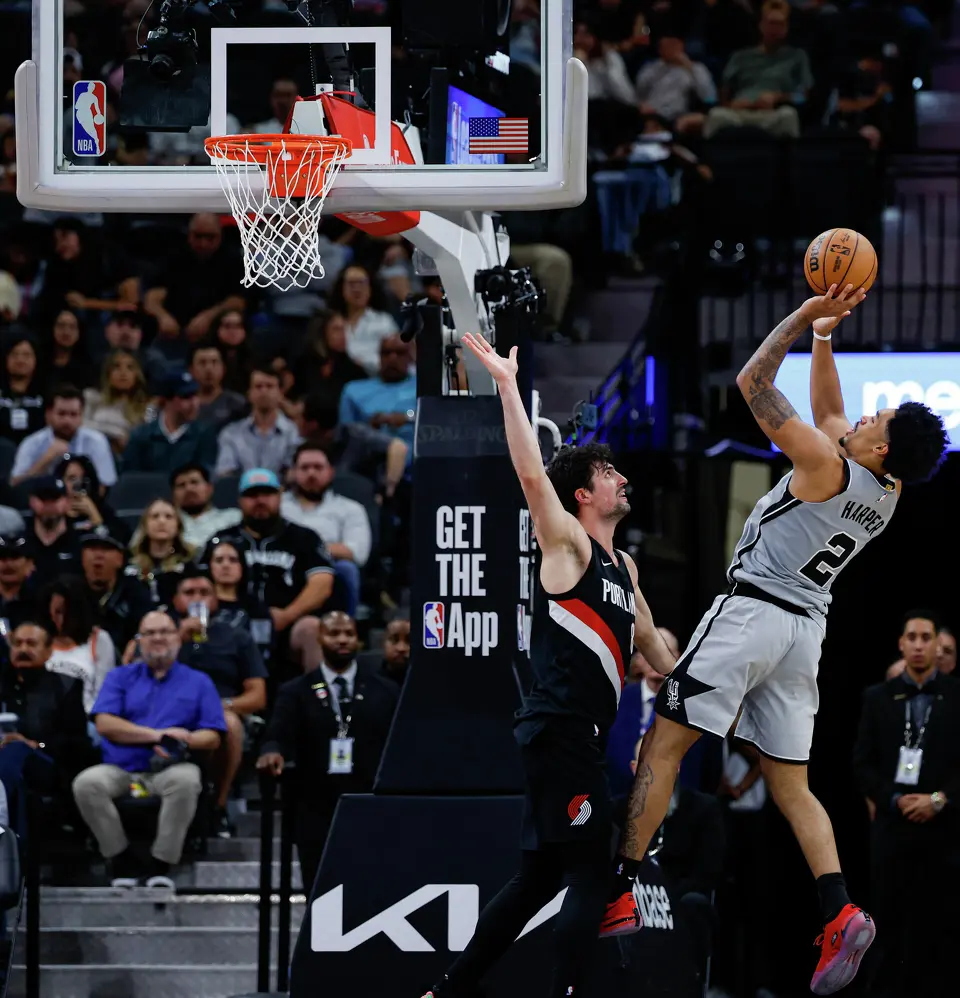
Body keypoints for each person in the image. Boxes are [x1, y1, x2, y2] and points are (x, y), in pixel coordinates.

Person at [606, 284, 949, 995]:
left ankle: (622, 884)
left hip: (753, 613)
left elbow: (753, 381)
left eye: (873, 414)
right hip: (805, 634)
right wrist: (825, 339)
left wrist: (799, 315)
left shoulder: (825, 465)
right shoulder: (886, 493)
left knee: (664, 744)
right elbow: (830, 413)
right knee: (792, 785)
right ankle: (838, 907)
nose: (858, 412)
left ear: (879, 443)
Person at [420, 333, 676, 998]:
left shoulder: (626, 566)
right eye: (609, 473)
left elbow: (651, 642)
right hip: (559, 730)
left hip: (578, 739)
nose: (622, 477)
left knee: (538, 878)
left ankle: (447, 990)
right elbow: (534, 476)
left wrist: (700, 686)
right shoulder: (568, 547)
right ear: (583, 497)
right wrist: (506, 386)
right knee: (595, 873)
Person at [72, 610, 226, 889]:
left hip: (170, 767)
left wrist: (185, 739)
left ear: (178, 637)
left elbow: (213, 735)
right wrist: (157, 735)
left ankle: (162, 863)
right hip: (121, 768)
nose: (157, 639)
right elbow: (105, 723)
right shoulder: (120, 677)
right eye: (150, 633)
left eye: (165, 632)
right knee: (87, 783)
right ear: (139, 641)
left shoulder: (199, 681)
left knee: (187, 779)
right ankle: (120, 858)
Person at [852, 610, 960, 998]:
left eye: (925, 637)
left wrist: (939, 799)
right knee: (888, 921)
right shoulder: (877, 697)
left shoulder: (955, 694)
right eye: (911, 637)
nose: (918, 644)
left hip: (943, 829)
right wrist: (893, 799)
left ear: (937, 643)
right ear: (901, 643)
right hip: (892, 827)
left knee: (939, 923)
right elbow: (862, 763)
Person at [256, 611, 399, 894]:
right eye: (334, 633)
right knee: (319, 888)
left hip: (369, 801)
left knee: (371, 888)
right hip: (315, 804)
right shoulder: (295, 691)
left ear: (358, 640)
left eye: (349, 633)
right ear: (320, 637)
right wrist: (272, 751)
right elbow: (277, 734)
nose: (343, 640)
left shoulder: (385, 690)